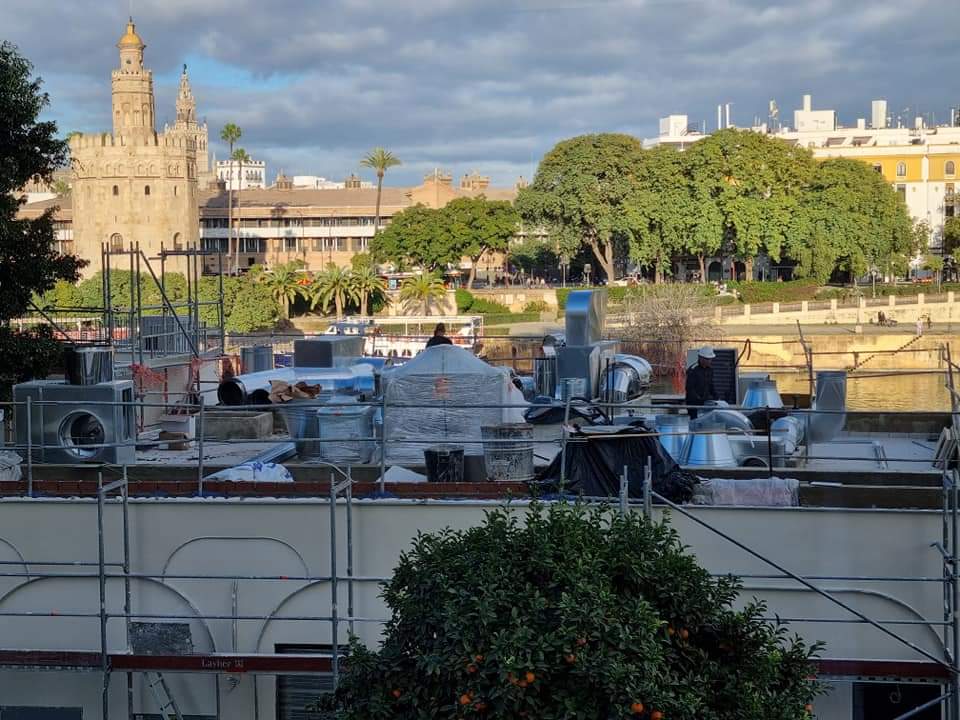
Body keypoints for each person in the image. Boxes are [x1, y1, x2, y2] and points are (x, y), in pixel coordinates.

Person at [685, 346, 717, 419]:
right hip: (693, 404)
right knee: (695, 420)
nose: (710, 361)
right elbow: (689, 388)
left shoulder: (710, 370)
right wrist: (698, 398)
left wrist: (716, 397)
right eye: (708, 359)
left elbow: (711, 385)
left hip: (705, 403)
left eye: (710, 359)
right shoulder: (693, 370)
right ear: (701, 358)